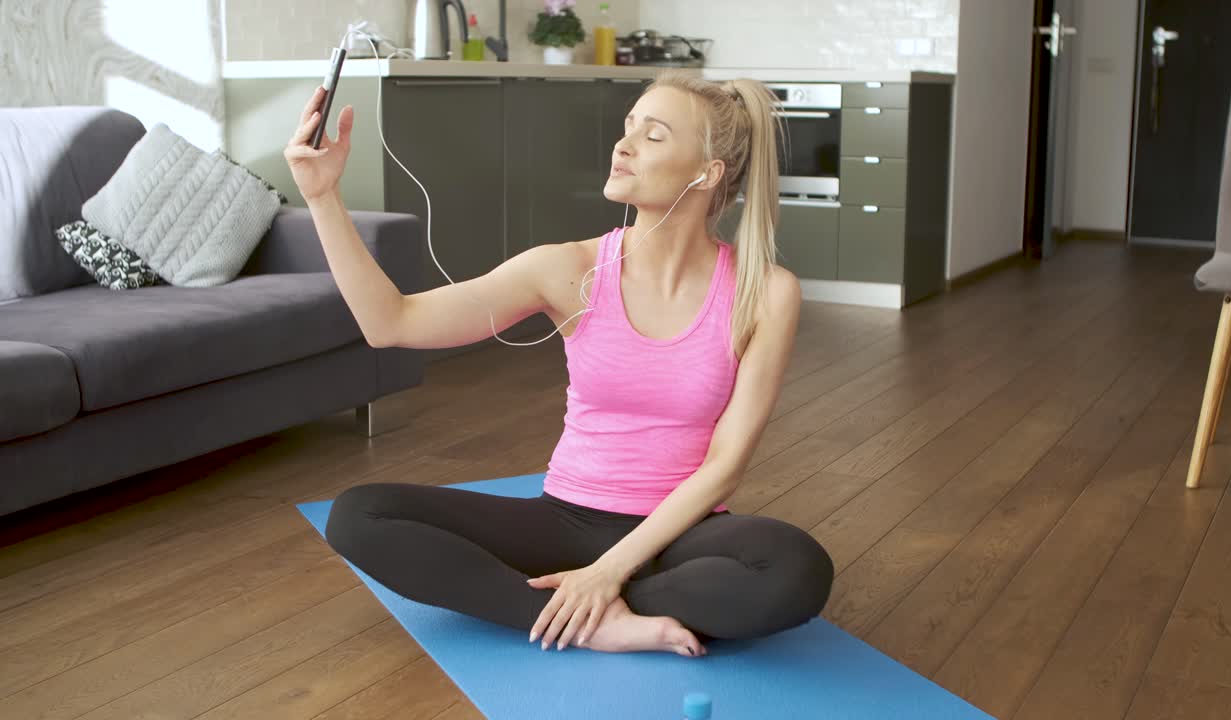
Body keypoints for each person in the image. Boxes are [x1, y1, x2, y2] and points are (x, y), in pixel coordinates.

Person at [283, 70, 835, 658]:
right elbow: (391, 322)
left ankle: (592, 601)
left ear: (707, 172)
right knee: (358, 515)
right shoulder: (568, 269)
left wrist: (608, 571)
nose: (622, 145)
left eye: (653, 136)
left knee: (796, 569)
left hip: (682, 533)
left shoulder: (765, 291)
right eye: (627, 128)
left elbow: (725, 467)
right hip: (564, 521)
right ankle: (593, 623)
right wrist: (321, 196)